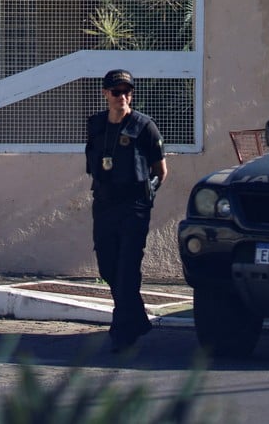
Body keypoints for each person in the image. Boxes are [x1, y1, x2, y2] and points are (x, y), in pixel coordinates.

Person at [85, 69, 168, 353]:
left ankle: (122, 332)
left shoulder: (144, 126)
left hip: (134, 206)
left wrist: (148, 196)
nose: (123, 97)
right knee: (108, 266)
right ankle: (138, 319)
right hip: (105, 204)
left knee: (127, 269)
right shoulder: (95, 124)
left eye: (127, 92)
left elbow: (161, 170)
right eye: (117, 91)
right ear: (105, 93)